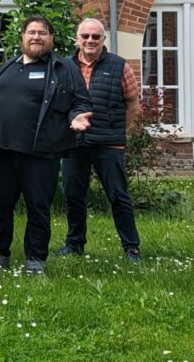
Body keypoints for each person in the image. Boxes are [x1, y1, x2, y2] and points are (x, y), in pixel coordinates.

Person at [0, 16, 93, 274]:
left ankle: (35, 260)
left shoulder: (64, 68)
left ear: (51, 38)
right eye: (31, 32)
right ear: (22, 37)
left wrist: (76, 117)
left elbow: (80, 102)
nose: (36, 37)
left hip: (41, 152)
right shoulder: (9, 66)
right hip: (4, 151)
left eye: (42, 32)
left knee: (38, 207)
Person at [56, 18, 142, 262]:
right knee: (73, 196)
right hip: (74, 142)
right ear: (77, 38)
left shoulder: (119, 66)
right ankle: (74, 244)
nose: (90, 41)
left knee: (118, 196)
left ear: (104, 39)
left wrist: (118, 130)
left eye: (96, 36)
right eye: (85, 36)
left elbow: (133, 104)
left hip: (109, 143)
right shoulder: (65, 66)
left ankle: (131, 247)